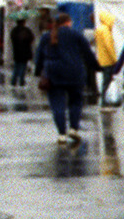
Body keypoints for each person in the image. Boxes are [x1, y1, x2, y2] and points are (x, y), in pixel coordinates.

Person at [33, 10, 95, 144]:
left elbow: (39, 56)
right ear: (68, 22)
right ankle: (73, 128)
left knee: (57, 104)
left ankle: (61, 133)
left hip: (53, 73)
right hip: (75, 72)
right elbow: (88, 53)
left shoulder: (47, 36)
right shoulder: (76, 35)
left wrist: (38, 72)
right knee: (75, 102)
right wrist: (96, 67)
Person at [94, 12, 120, 103]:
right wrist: (115, 59)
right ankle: (105, 100)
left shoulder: (99, 30)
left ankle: (104, 99)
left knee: (106, 81)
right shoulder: (105, 31)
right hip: (108, 60)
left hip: (102, 60)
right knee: (107, 81)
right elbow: (109, 46)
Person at [9, 17, 33, 87]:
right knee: (23, 66)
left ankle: (13, 81)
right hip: (25, 51)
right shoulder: (27, 30)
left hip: (16, 51)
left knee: (16, 66)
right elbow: (31, 38)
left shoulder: (14, 30)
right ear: (23, 22)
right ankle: (21, 81)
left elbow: (12, 39)